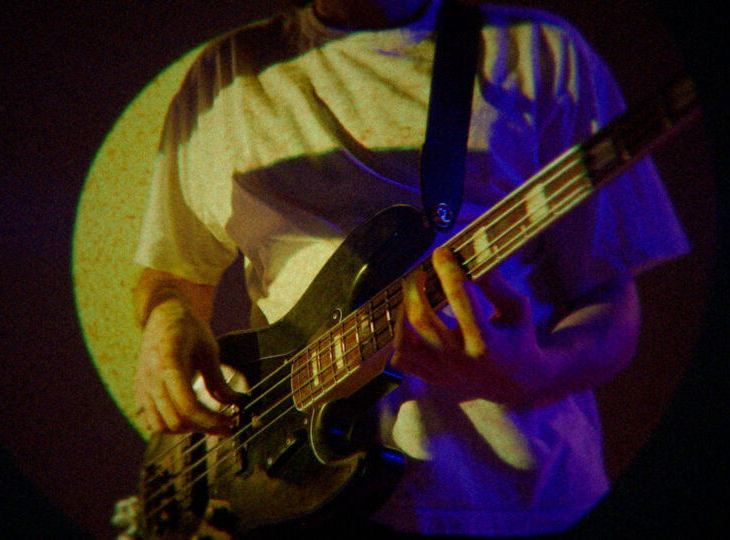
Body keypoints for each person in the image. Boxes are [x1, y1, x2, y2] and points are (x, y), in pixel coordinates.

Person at [130, 0, 689, 537]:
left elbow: (612, 308)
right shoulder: (224, 75)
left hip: (516, 503)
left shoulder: (540, 51)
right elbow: (173, 274)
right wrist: (166, 315)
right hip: (294, 502)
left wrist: (531, 372)